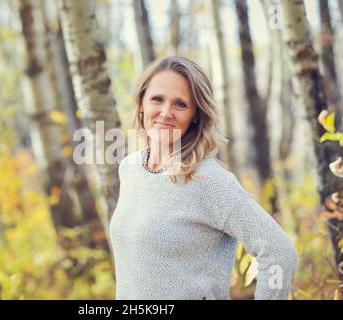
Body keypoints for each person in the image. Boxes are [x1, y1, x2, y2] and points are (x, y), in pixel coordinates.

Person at [108, 55, 297, 300]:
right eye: (157, 99)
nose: (166, 113)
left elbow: (279, 252)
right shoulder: (129, 168)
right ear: (142, 103)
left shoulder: (208, 179)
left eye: (180, 104)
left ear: (196, 115)